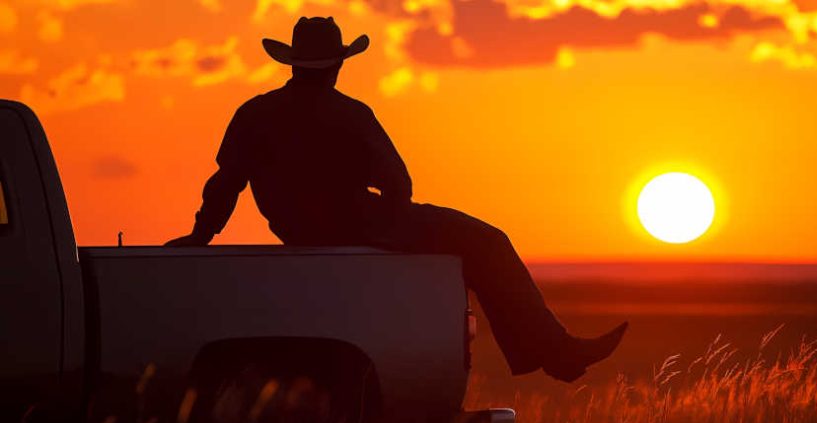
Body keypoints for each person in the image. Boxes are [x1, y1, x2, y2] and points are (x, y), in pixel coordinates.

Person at [166, 16, 627, 382]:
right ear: (337, 65)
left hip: (296, 231)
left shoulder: (254, 114)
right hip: (363, 223)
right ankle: (557, 353)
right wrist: (390, 225)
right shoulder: (350, 114)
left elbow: (225, 183)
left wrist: (201, 235)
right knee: (487, 242)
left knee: (476, 246)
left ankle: (554, 355)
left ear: (292, 63)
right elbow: (398, 184)